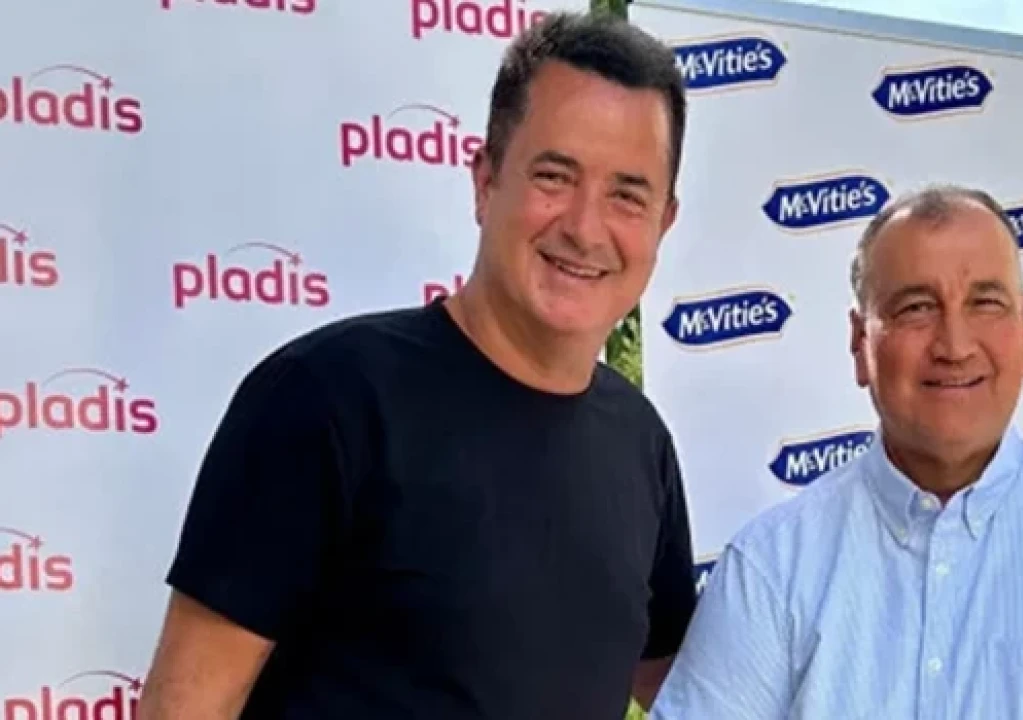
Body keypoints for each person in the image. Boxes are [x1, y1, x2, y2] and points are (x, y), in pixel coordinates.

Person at [137, 11, 695, 719]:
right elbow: (185, 706)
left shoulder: (640, 444)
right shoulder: (326, 399)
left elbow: (693, 686)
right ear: (485, 181)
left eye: (627, 195)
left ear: (663, 222)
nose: (585, 228)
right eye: (554, 176)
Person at [648, 185, 1023, 719]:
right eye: (916, 308)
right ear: (861, 343)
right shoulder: (773, 567)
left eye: (985, 303)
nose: (955, 344)